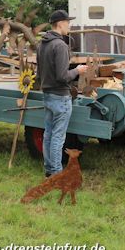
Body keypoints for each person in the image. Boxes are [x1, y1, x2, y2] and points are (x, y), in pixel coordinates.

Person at [37, 10, 87, 177]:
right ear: (60, 24)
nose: (69, 25)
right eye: (68, 22)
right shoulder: (60, 45)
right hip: (60, 97)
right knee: (58, 137)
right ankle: (57, 173)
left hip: (48, 95)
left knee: (48, 135)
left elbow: (39, 74)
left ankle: (49, 170)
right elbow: (62, 76)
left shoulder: (42, 44)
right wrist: (77, 70)